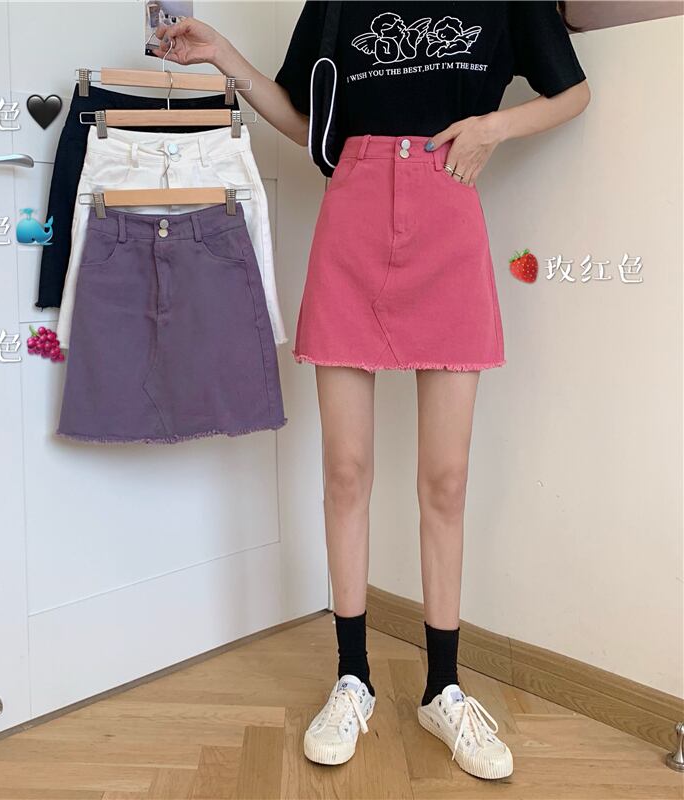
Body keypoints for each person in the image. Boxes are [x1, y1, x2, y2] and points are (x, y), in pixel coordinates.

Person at [153, 0, 590, 780]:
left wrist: (492, 128)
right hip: (351, 224)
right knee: (346, 471)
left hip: (448, 223)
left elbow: (574, 93)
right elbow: (306, 122)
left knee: (446, 481)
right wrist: (224, 56)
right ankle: (352, 676)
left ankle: (443, 688)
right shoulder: (336, 3)